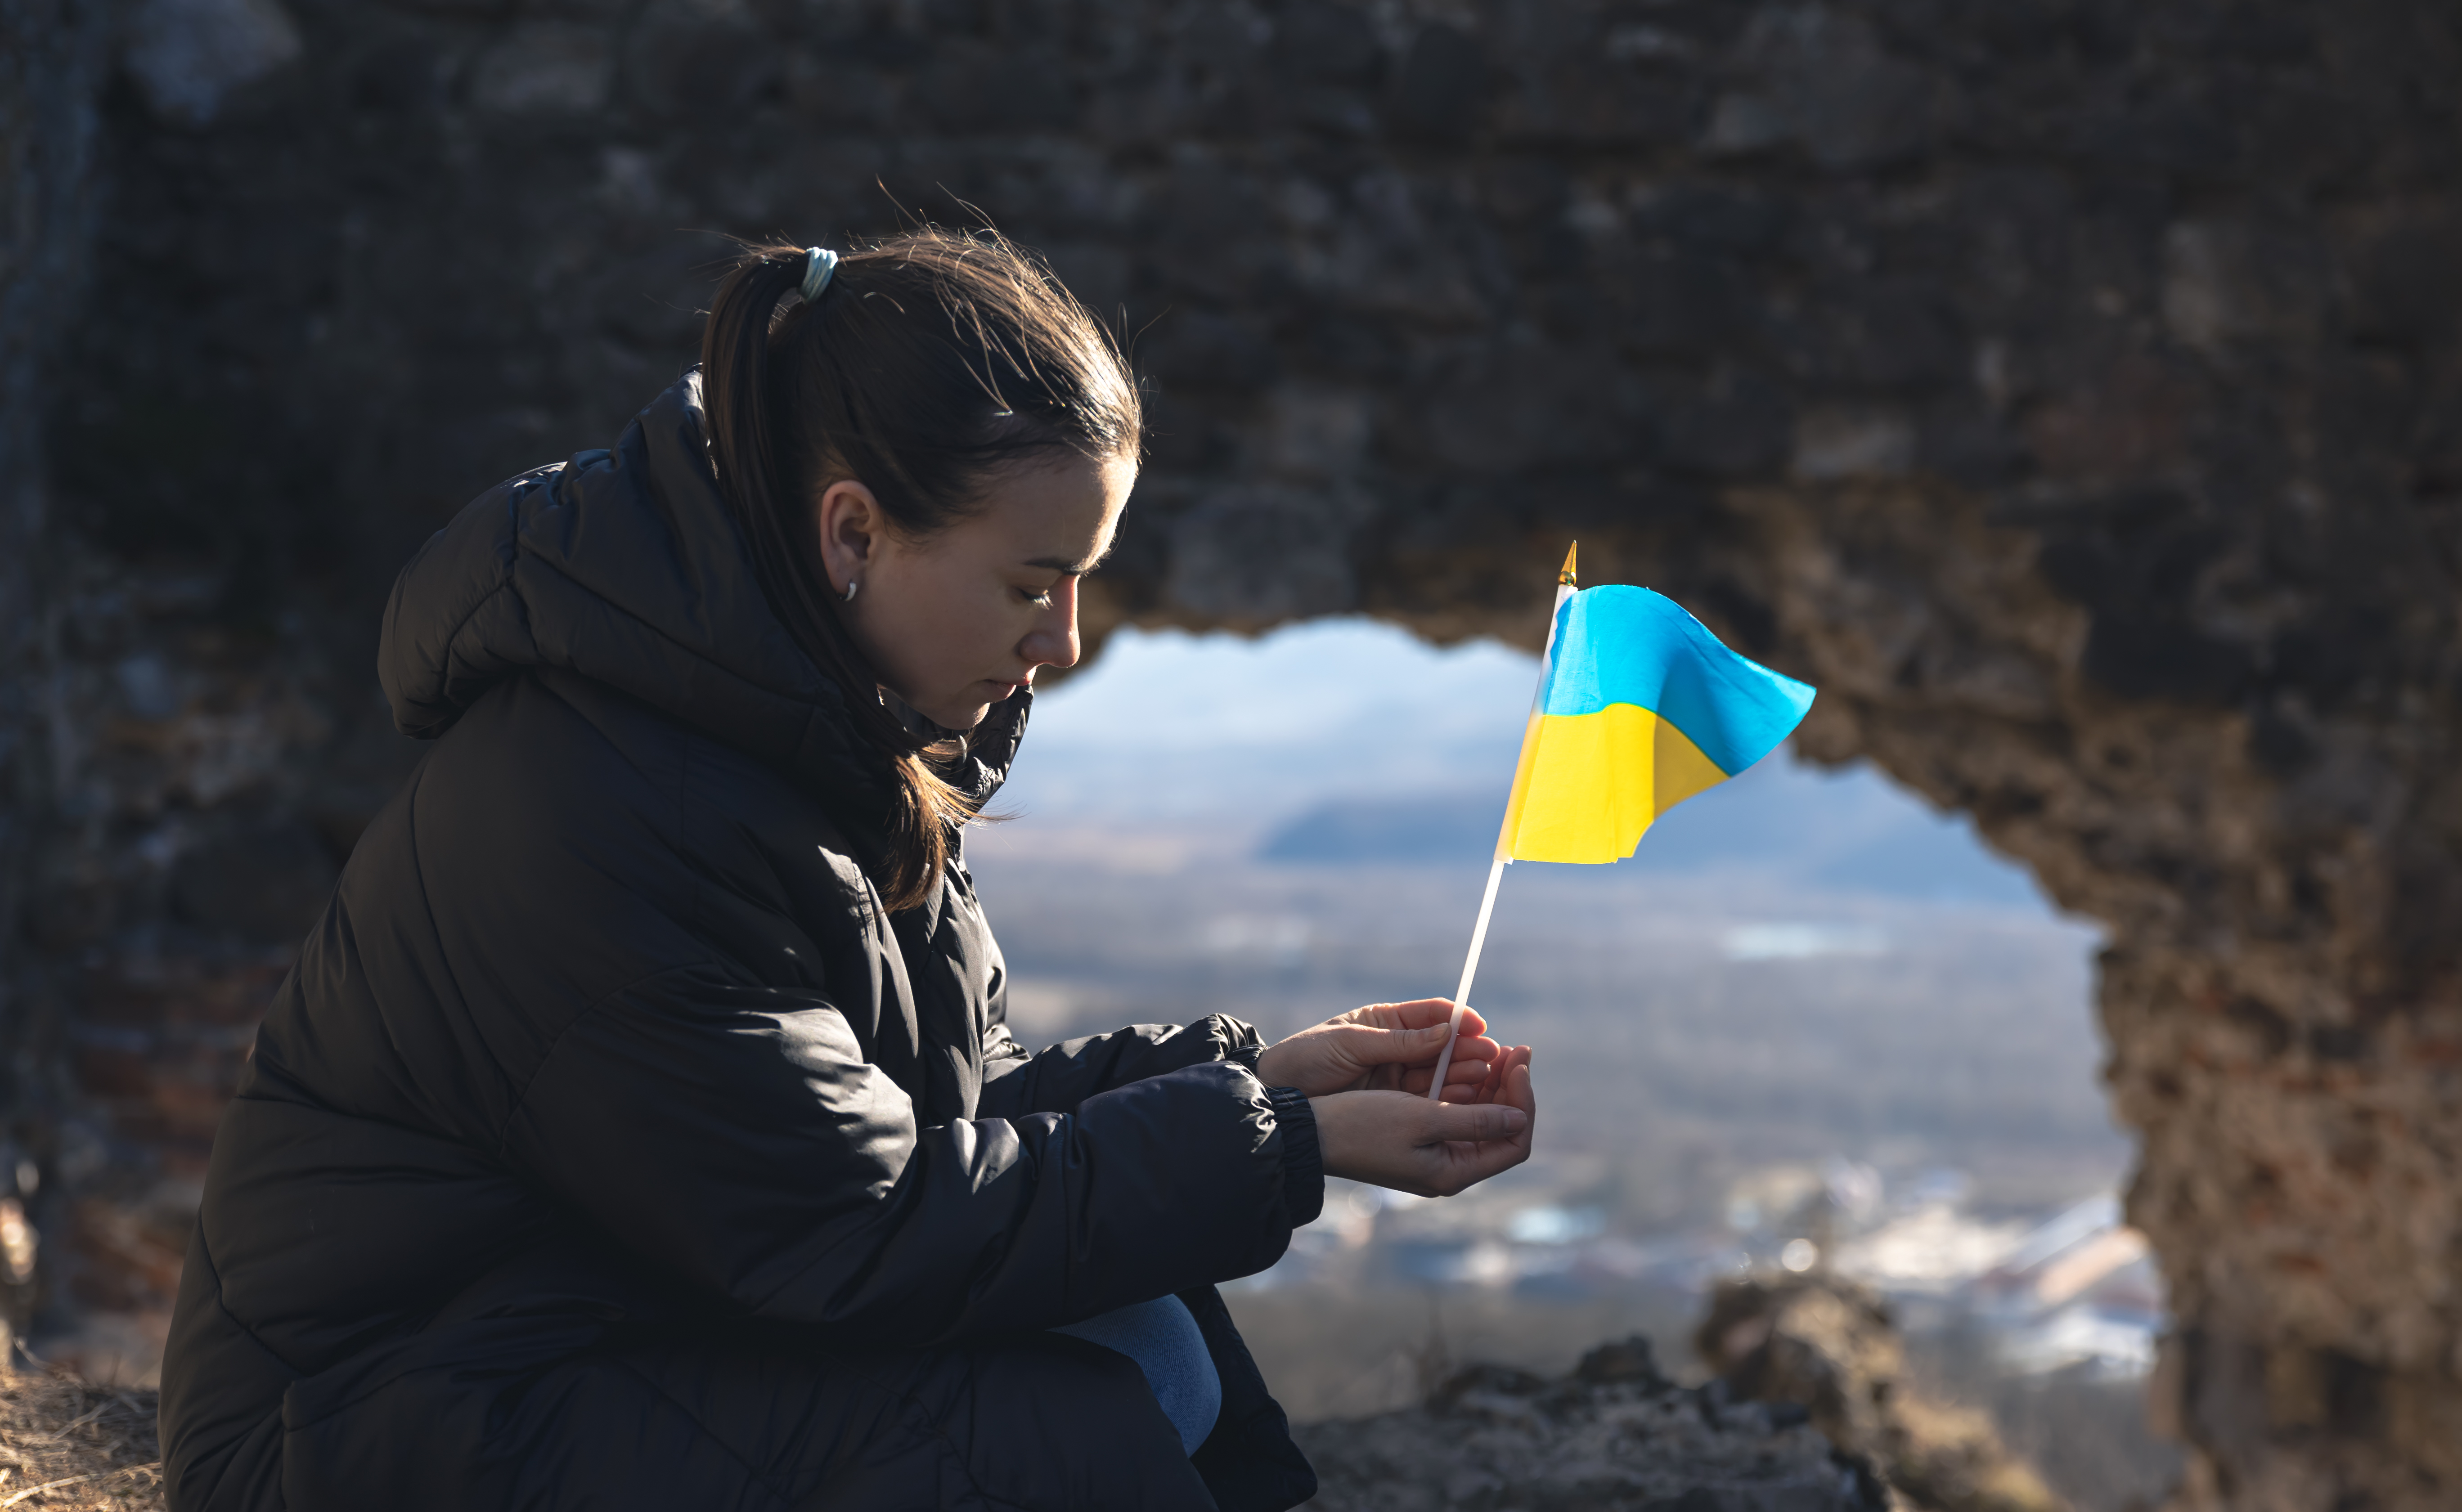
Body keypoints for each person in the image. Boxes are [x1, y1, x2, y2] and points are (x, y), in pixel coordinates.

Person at [156, 229, 1537, 1512]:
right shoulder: (607, 800)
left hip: (589, 1320)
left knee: (1145, 1332)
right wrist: (1278, 1148)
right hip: (360, 1431)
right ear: (854, 534)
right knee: (1044, 1436)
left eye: (1084, 581)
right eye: (1029, 583)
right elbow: (854, 1230)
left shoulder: (818, 731)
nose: (1061, 640)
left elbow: (913, 1118)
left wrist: (1258, 1083)